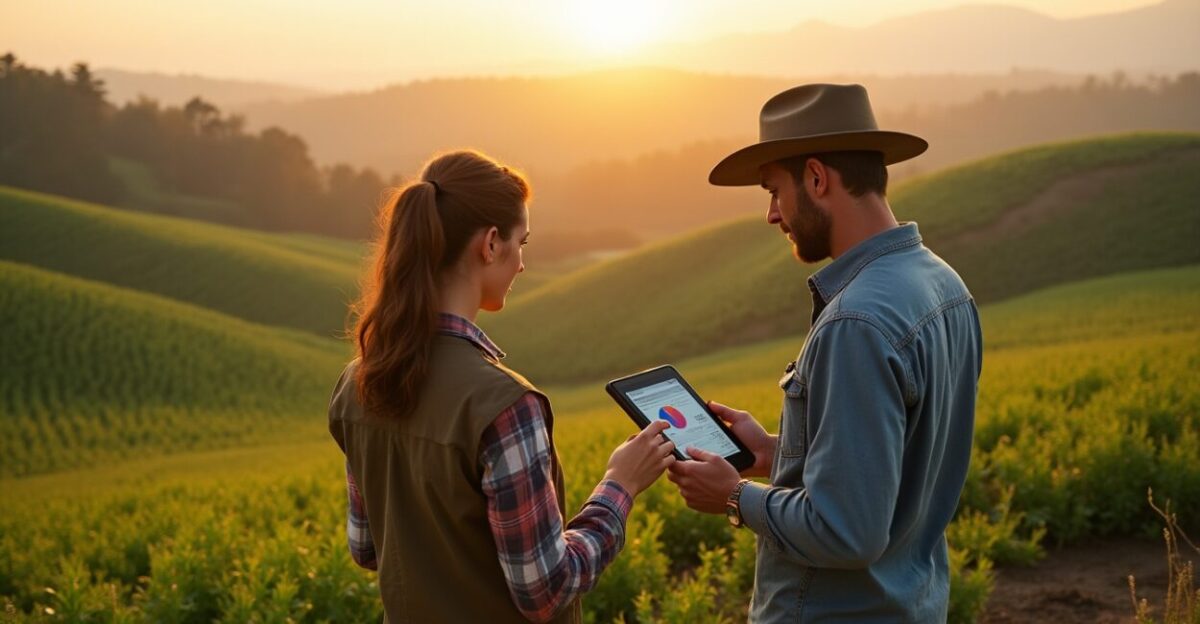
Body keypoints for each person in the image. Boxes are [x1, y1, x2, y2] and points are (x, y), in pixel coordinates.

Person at [666, 84, 983, 622]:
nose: (772, 214)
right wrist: (774, 451)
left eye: (774, 191)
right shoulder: (944, 285)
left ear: (816, 178)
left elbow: (846, 531)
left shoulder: (854, 323)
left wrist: (735, 495)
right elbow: (895, 463)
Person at [328, 150, 676, 623]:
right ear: (490, 244)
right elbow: (545, 591)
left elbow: (366, 547)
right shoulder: (505, 405)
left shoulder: (357, 383)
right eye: (522, 242)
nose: (522, 264)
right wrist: (620, 486)